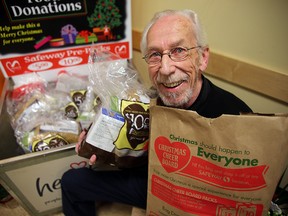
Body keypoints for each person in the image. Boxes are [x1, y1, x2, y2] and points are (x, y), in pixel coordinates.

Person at [61, 9, 252, 216]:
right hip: (152, 183)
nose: (166, 68)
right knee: (72, 182)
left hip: (201, 201)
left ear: (202, 58)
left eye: (179, 50)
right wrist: (100, 142)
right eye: (155, 55)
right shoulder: (147, 102)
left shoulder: (235, 115)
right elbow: (125, 139)